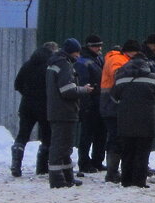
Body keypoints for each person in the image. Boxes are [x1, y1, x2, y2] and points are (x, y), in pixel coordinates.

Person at [110, 47, 155, 188]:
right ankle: (139, 181)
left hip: (125, 121)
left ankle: (126, 180)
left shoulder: (121, 78)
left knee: (127, 152)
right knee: (143, 152)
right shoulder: (154, 78)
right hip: (147, 122)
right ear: (146, 63)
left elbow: (113, 96)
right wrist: (152, 104)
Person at [45, 38, 93, 188]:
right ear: (72, 52)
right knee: (61, 146)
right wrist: (84, 90)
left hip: (57, 110)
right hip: (64, 111)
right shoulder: (64, 65)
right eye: (77, 52)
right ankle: (58, 180)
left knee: (65, 146)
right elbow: (67, 90)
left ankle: (67, 177)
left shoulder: (54, 64)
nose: (78, 55)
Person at [11, 41, 56, 178]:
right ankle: (42, 167)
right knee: (47, 136)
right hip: (44, 106)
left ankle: (16, 165)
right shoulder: (49, 66)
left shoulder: (27, 65)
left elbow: (17, 84)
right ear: (52, 51)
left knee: (22, 135)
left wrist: (27, 94)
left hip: (26, 105)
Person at [99, 40, 139, 184]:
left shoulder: (118, 58)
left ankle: (113, 171)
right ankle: (112, 173)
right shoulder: (117, 59)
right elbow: (119, 76)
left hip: (112, 105)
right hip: (113, 105)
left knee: (116, 137)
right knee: (116, 138)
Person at [75, 34, 106, 173]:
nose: (98, 48)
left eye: (100, 45)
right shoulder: (83, 62)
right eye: (95, 45)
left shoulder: (98, 59)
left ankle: (97, 161)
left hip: (100, 101)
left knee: (101, 133)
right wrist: (85, 104)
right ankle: (84, 163)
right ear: (88, 46)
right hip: (91, 102)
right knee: (87, 135)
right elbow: (83, 83)